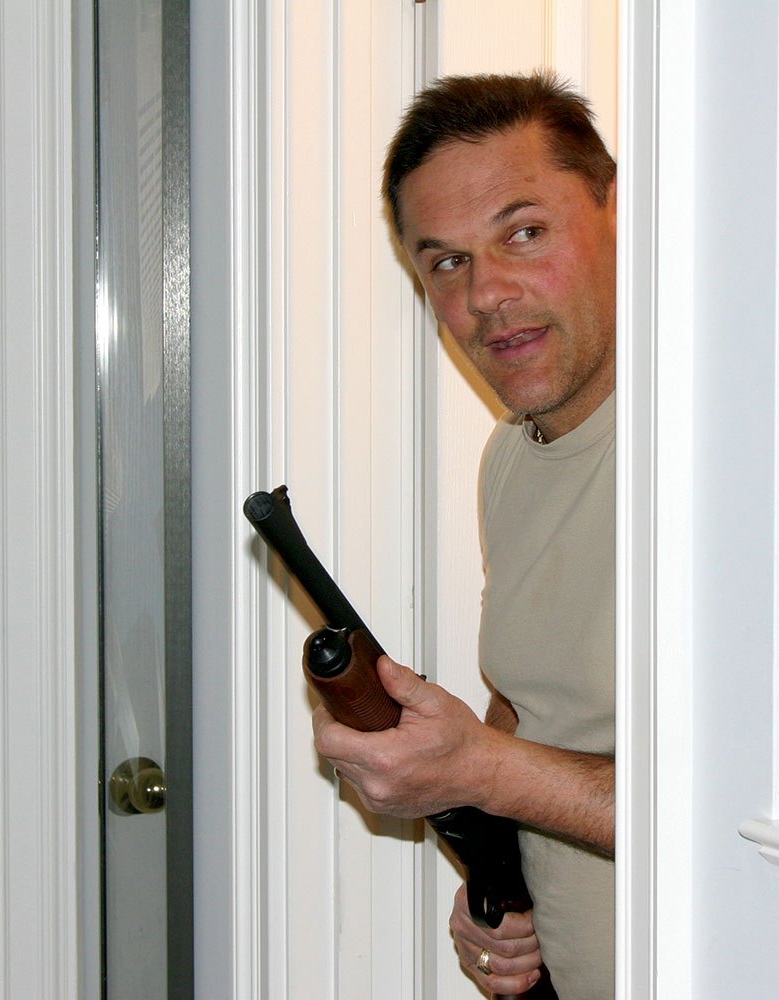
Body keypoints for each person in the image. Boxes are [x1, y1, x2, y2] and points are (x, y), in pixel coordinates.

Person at [313, 71, 616, 999]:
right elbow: (530, 712)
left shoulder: (733, 453)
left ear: (619, 211)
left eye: (523, 232)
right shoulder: (510, 460)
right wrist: (505, 898)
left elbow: (741, 811)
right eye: (444, 262)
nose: (487, 293)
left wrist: (483, 772)